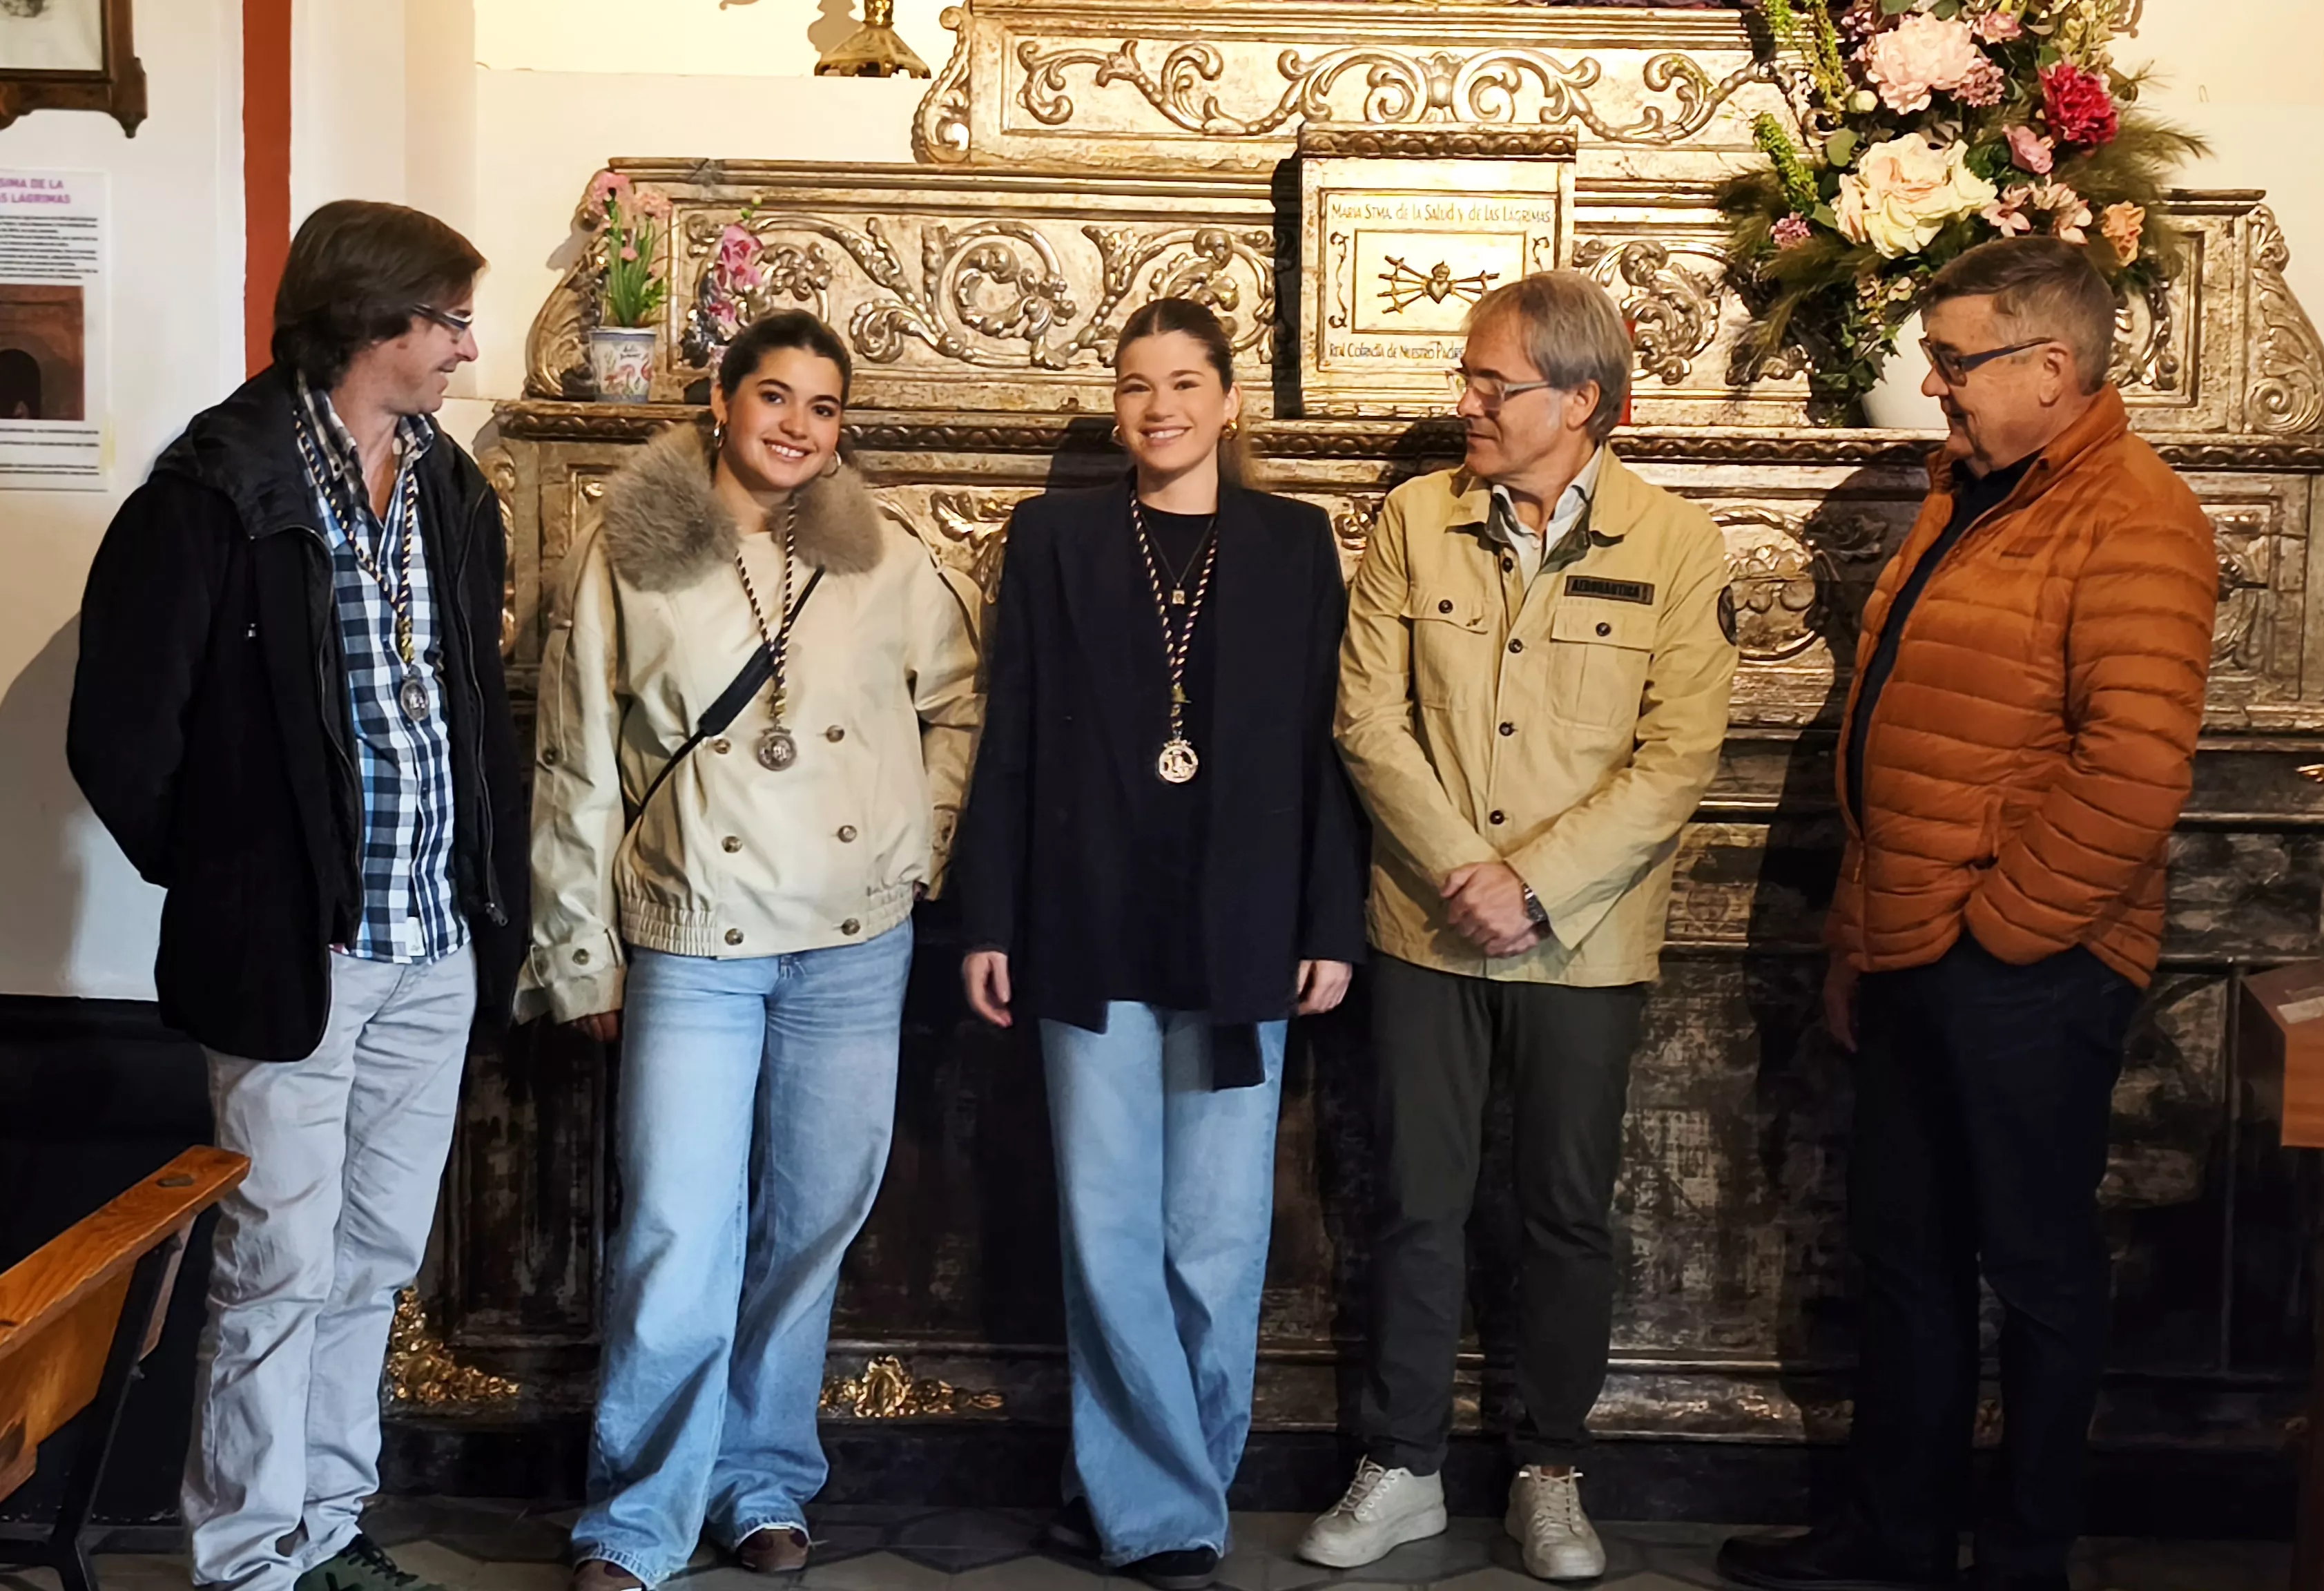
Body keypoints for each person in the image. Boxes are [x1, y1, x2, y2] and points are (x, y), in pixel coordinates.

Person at [1716, 238, 2220, 1591]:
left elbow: (2133, 768)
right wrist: (1863, 936)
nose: (1933, 386)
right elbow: (1902, 738)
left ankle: (2021, 1557)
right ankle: (1896, 1536)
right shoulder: (1972, 492)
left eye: (1952, 360)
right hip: (1915, 943)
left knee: (2037, 1274)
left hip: (2026, 964)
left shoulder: (2135, 517)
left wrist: (1999, 930)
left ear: (2050, 369)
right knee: (1907, 1257)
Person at [68, 200, 525, 1591]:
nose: (467, 346)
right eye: (449, 320)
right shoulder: (215, 491)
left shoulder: (451, 490)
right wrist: (236, 878)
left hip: (432, 941)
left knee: (373, 1261)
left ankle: (328, 1529)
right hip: (297, 957)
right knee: (276, 1265)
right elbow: (122, 739)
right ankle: (250, 1561)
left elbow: (467, 714)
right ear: (371, 320)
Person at [523, 309, 983, 1591]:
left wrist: (919, 844)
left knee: (811, 1227)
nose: (796, 426)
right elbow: (572, 761)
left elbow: (962, 705)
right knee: (679, 1228)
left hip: (854, 943)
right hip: (693, 935)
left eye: (823, 408)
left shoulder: (890, 557)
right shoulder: (626, 552)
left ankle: (759, 1478)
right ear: (721, 401)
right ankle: (637, 1517)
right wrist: (578, 950)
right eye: (774, 396)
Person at [1305, 271, 1739, 1579]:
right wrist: (1464, 869)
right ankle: (1404, 1466)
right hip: (1427, 927)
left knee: (1565, 1212)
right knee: (1416, 1205)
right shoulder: (1415, 520)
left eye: (1496, 384)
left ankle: (1549, 1470)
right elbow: (1366, 717)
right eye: (1470, 378)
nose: (1469, 403)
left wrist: (1536, 883)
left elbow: (1677, 756)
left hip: (1587, 939)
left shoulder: (1677, 544)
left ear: (1582, 401)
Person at [953, 298, 1368, 1591]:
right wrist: (988, 917)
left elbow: (1329, 744)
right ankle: (1161, 1506)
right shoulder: (1059, 537)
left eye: (1186, 383)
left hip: (1241, 930)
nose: (1161, 407)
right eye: (1137, 386)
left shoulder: (1294, 542)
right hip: (1087, 923)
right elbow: (1010, 732)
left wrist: (1331, 921)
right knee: (1109, 1228)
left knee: (1216, 1238)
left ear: (1230, 401)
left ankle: (1164, 1478)